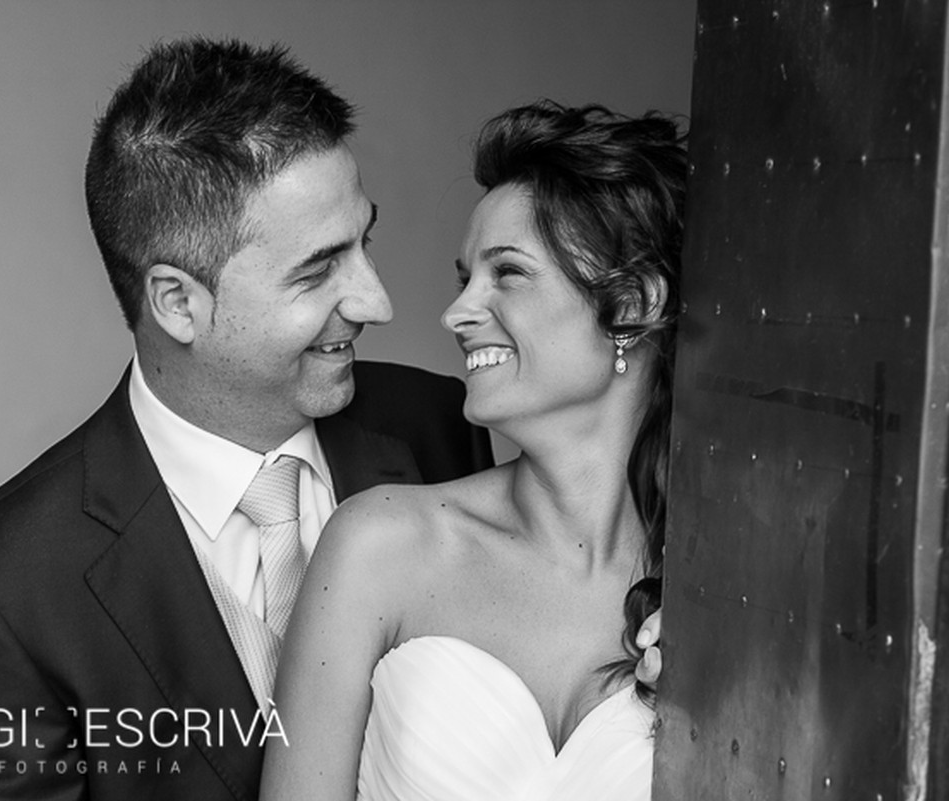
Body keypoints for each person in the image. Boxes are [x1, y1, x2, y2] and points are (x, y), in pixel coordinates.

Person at [0, 38, 492, 800]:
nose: (376, 301)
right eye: (317, 270)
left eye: (364, 242)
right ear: (178, 301)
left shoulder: (435, 425)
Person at [262, 100, 687, 800]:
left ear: (634, 303)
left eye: (508, 273)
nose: (458, 313)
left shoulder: (724, 597)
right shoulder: (378, 546)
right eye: (466, 278)